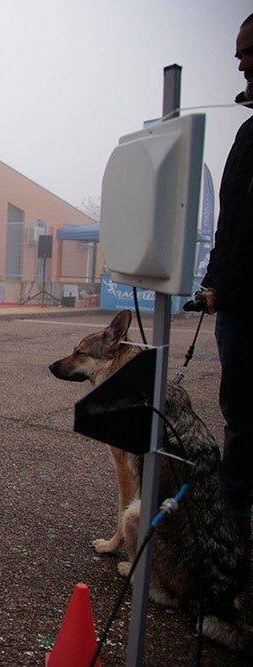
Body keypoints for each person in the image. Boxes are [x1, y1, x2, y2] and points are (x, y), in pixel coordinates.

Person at [200, 12, 253, 537]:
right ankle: (237, 520)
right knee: (240, 415)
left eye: (248, 50)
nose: (239, 61)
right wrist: (215, 282)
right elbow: (231, 221)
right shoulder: (246, 134)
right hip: (238, 303)